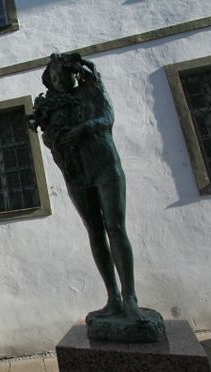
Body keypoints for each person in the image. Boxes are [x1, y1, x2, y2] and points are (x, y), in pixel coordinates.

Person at [29, 53, 146, 322]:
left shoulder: (91, 90)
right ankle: (113, 297)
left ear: (72, 73)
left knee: (115, 227)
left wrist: (83, 129)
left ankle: (130, 298)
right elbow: (49, 139)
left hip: (105, 164)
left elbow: (107, 118)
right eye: (54, 78)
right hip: (76, 172)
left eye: (62, 75)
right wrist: (52, 138)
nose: (59, 81)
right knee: (94, 232)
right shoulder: (51, 106)